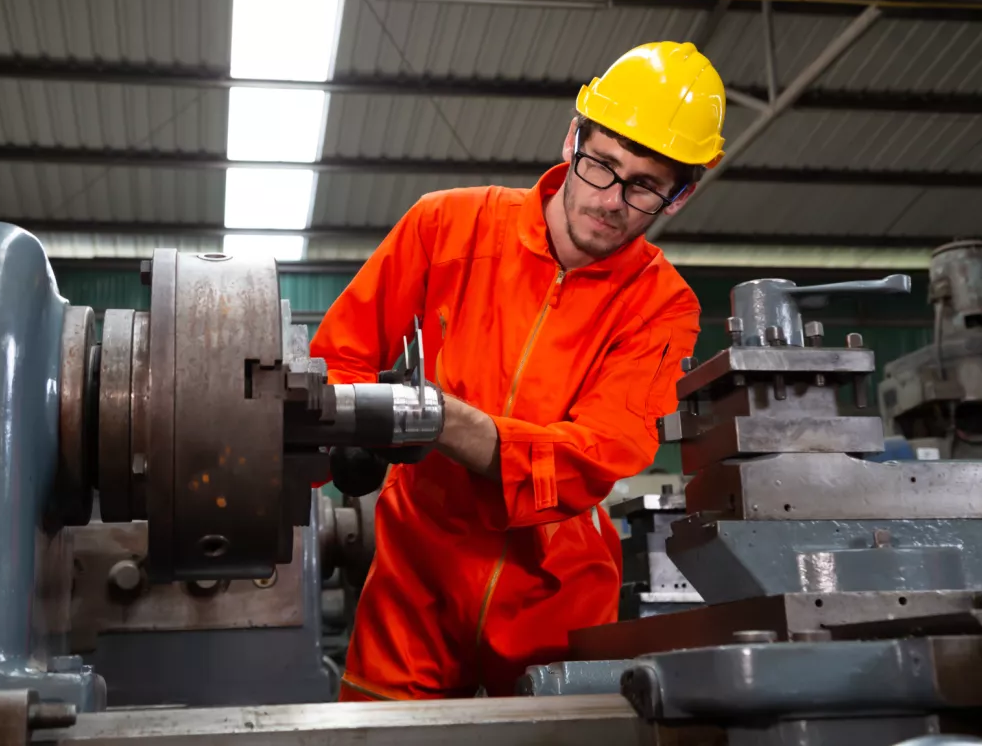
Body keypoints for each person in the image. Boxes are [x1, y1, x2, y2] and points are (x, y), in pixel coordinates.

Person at [310, 41, 726, 700]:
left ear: (679, 196)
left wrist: (443, 421)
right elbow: (335, 359)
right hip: (414, 570)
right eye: (601, 165)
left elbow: (599, 453)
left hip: (556, 590)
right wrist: (326, 446)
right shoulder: (445, 227)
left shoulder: (662, 306)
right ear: (571, 139)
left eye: (644, 185)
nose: (612, 200)